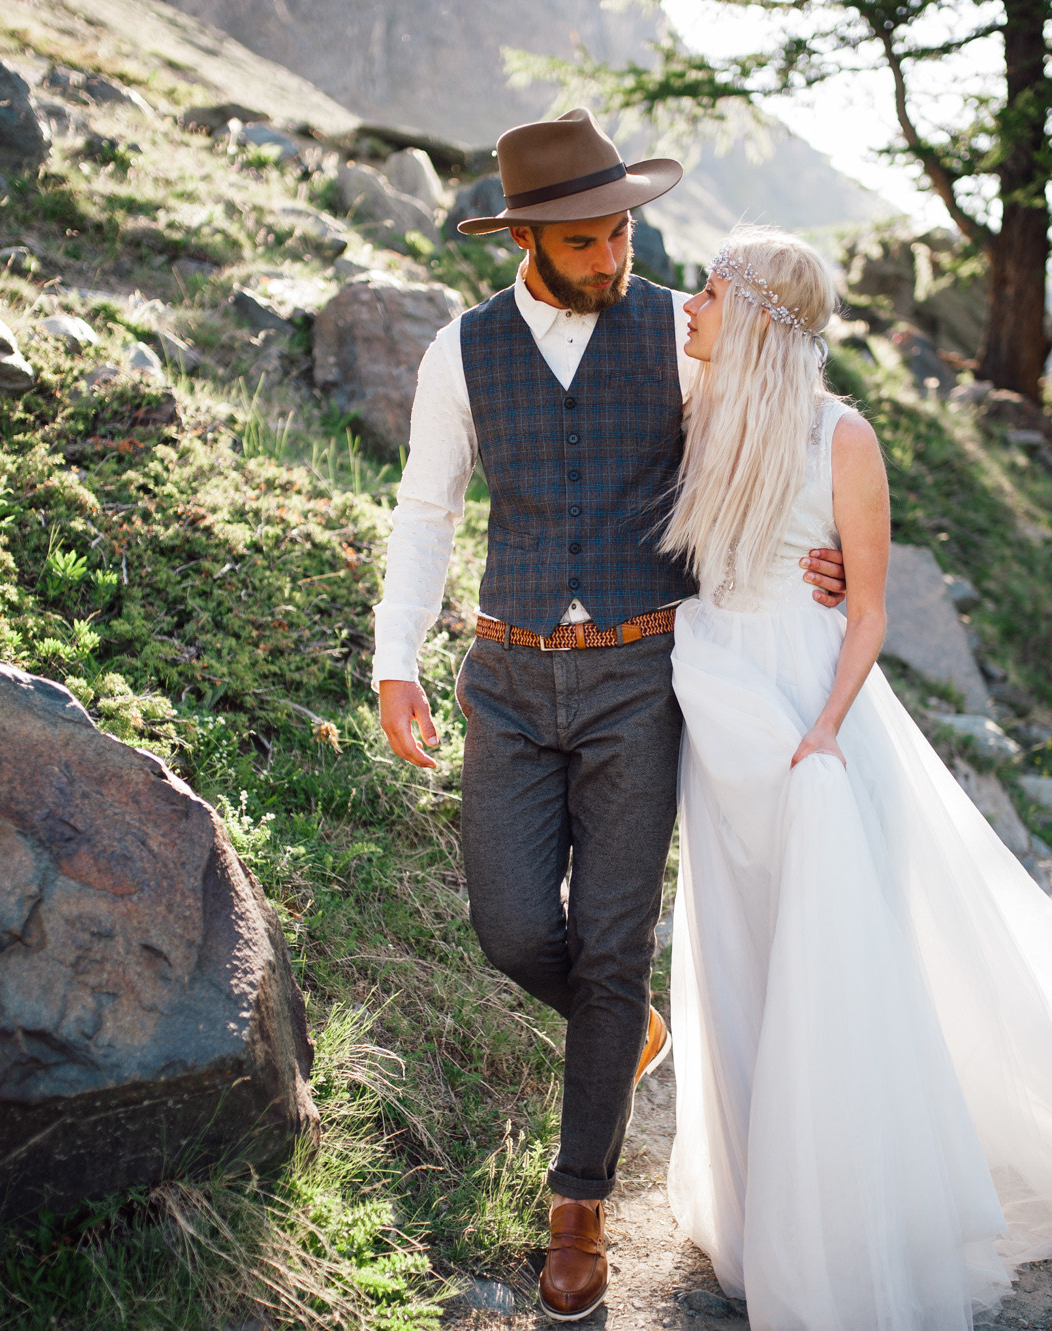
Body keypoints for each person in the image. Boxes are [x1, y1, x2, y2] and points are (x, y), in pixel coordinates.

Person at [661, 225, 1052, 1330]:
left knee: (828, 954)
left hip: (809, 712)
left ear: (758, 314)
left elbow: (865, 607)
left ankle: (837, 1212)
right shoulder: (698, 397)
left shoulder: (841, 435)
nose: (687, 300)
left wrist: (823, 728)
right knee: (734, 943)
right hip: (715, 697)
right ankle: (753, 1187)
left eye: (709, 286)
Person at [370, 112, 847, 1321]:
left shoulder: (688, 332)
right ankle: (622, 1023)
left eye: (622, 229)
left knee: (613, 933)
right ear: (529, 240)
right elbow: (427, 513)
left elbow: (785, 439)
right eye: (585, 241)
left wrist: (826, 557)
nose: (613, 256)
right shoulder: (457, 351)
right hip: (508, 679)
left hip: (644, 674)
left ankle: (576, 1205)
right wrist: (397, 659)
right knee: (512, 926)